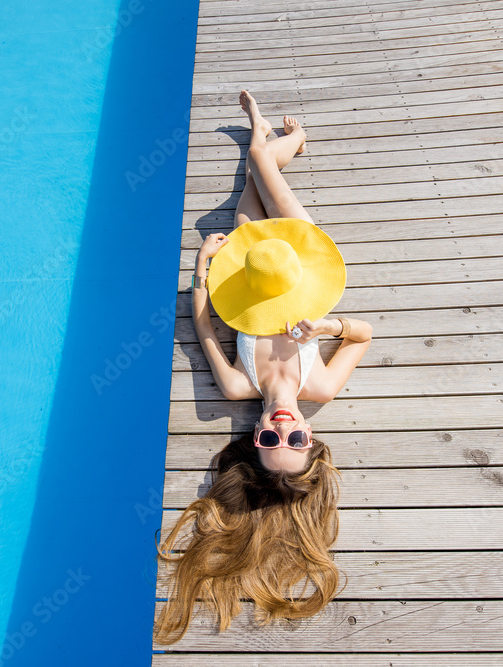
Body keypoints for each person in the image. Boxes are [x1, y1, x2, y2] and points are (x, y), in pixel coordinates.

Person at [154, 91, 373, 645]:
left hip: (251, 271)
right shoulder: (319, 384)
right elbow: (365, 336)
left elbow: (205, 328)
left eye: (271, 436)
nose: (282, 423)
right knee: (258, 164)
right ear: (310, 434)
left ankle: (274, 139)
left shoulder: (237, 384)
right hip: (300, 262)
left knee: (251, 189)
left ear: (255, 437)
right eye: (295, 436)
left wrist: (203, 267)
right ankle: (283, 138)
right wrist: (329, 331)